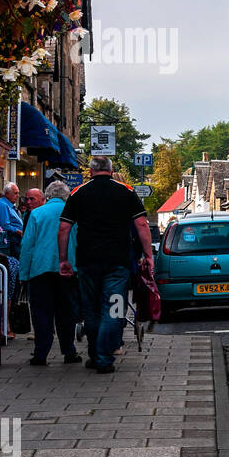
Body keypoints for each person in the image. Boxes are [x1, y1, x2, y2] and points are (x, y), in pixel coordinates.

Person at [58, 156, 153, 374]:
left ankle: (95, 354)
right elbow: (141, 224)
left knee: (90, 310)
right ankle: (103, 356)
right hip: (118, 263)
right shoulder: (127, 192)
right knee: (114, 309)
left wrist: (64, 259)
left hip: (87, 262)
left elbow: (64, 228)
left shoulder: (78, 193)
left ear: (90, 172)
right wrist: (148, 255)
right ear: (111, 171)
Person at [19, 180, 82, 367]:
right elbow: (79, 242)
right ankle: (69, 351)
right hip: (68, 269)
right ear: (66, 195)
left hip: (40, 269)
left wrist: (24, 273)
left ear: (47, 196)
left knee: (41, 313)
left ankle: (41, 354)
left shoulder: (36, 214)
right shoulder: (74, 213)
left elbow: (27, 246)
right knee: (67, 312)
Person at [0, 183, 24, 257]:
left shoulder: (9, 205)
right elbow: (5, 225)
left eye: (18, 193)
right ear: (7, 194)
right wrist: (19, 232)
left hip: (15, 240)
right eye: (15, 193)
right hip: (10, 241)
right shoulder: (2, 205)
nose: (18, 196)